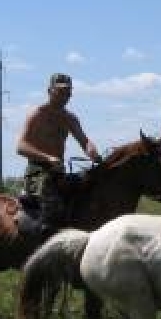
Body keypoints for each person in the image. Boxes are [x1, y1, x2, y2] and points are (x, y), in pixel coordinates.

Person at [16, 72, 101, 238]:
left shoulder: (69, 118)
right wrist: (47, 158)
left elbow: (84, 141)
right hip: (38, 171)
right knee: (52, 204)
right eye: (60, 91)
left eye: (68, 92)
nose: (65, 96)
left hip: (58, 171)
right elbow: (21, 146)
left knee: (89, 187)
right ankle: (43, 243)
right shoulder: (37, 114)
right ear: (50, 91)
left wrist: (92, 151)